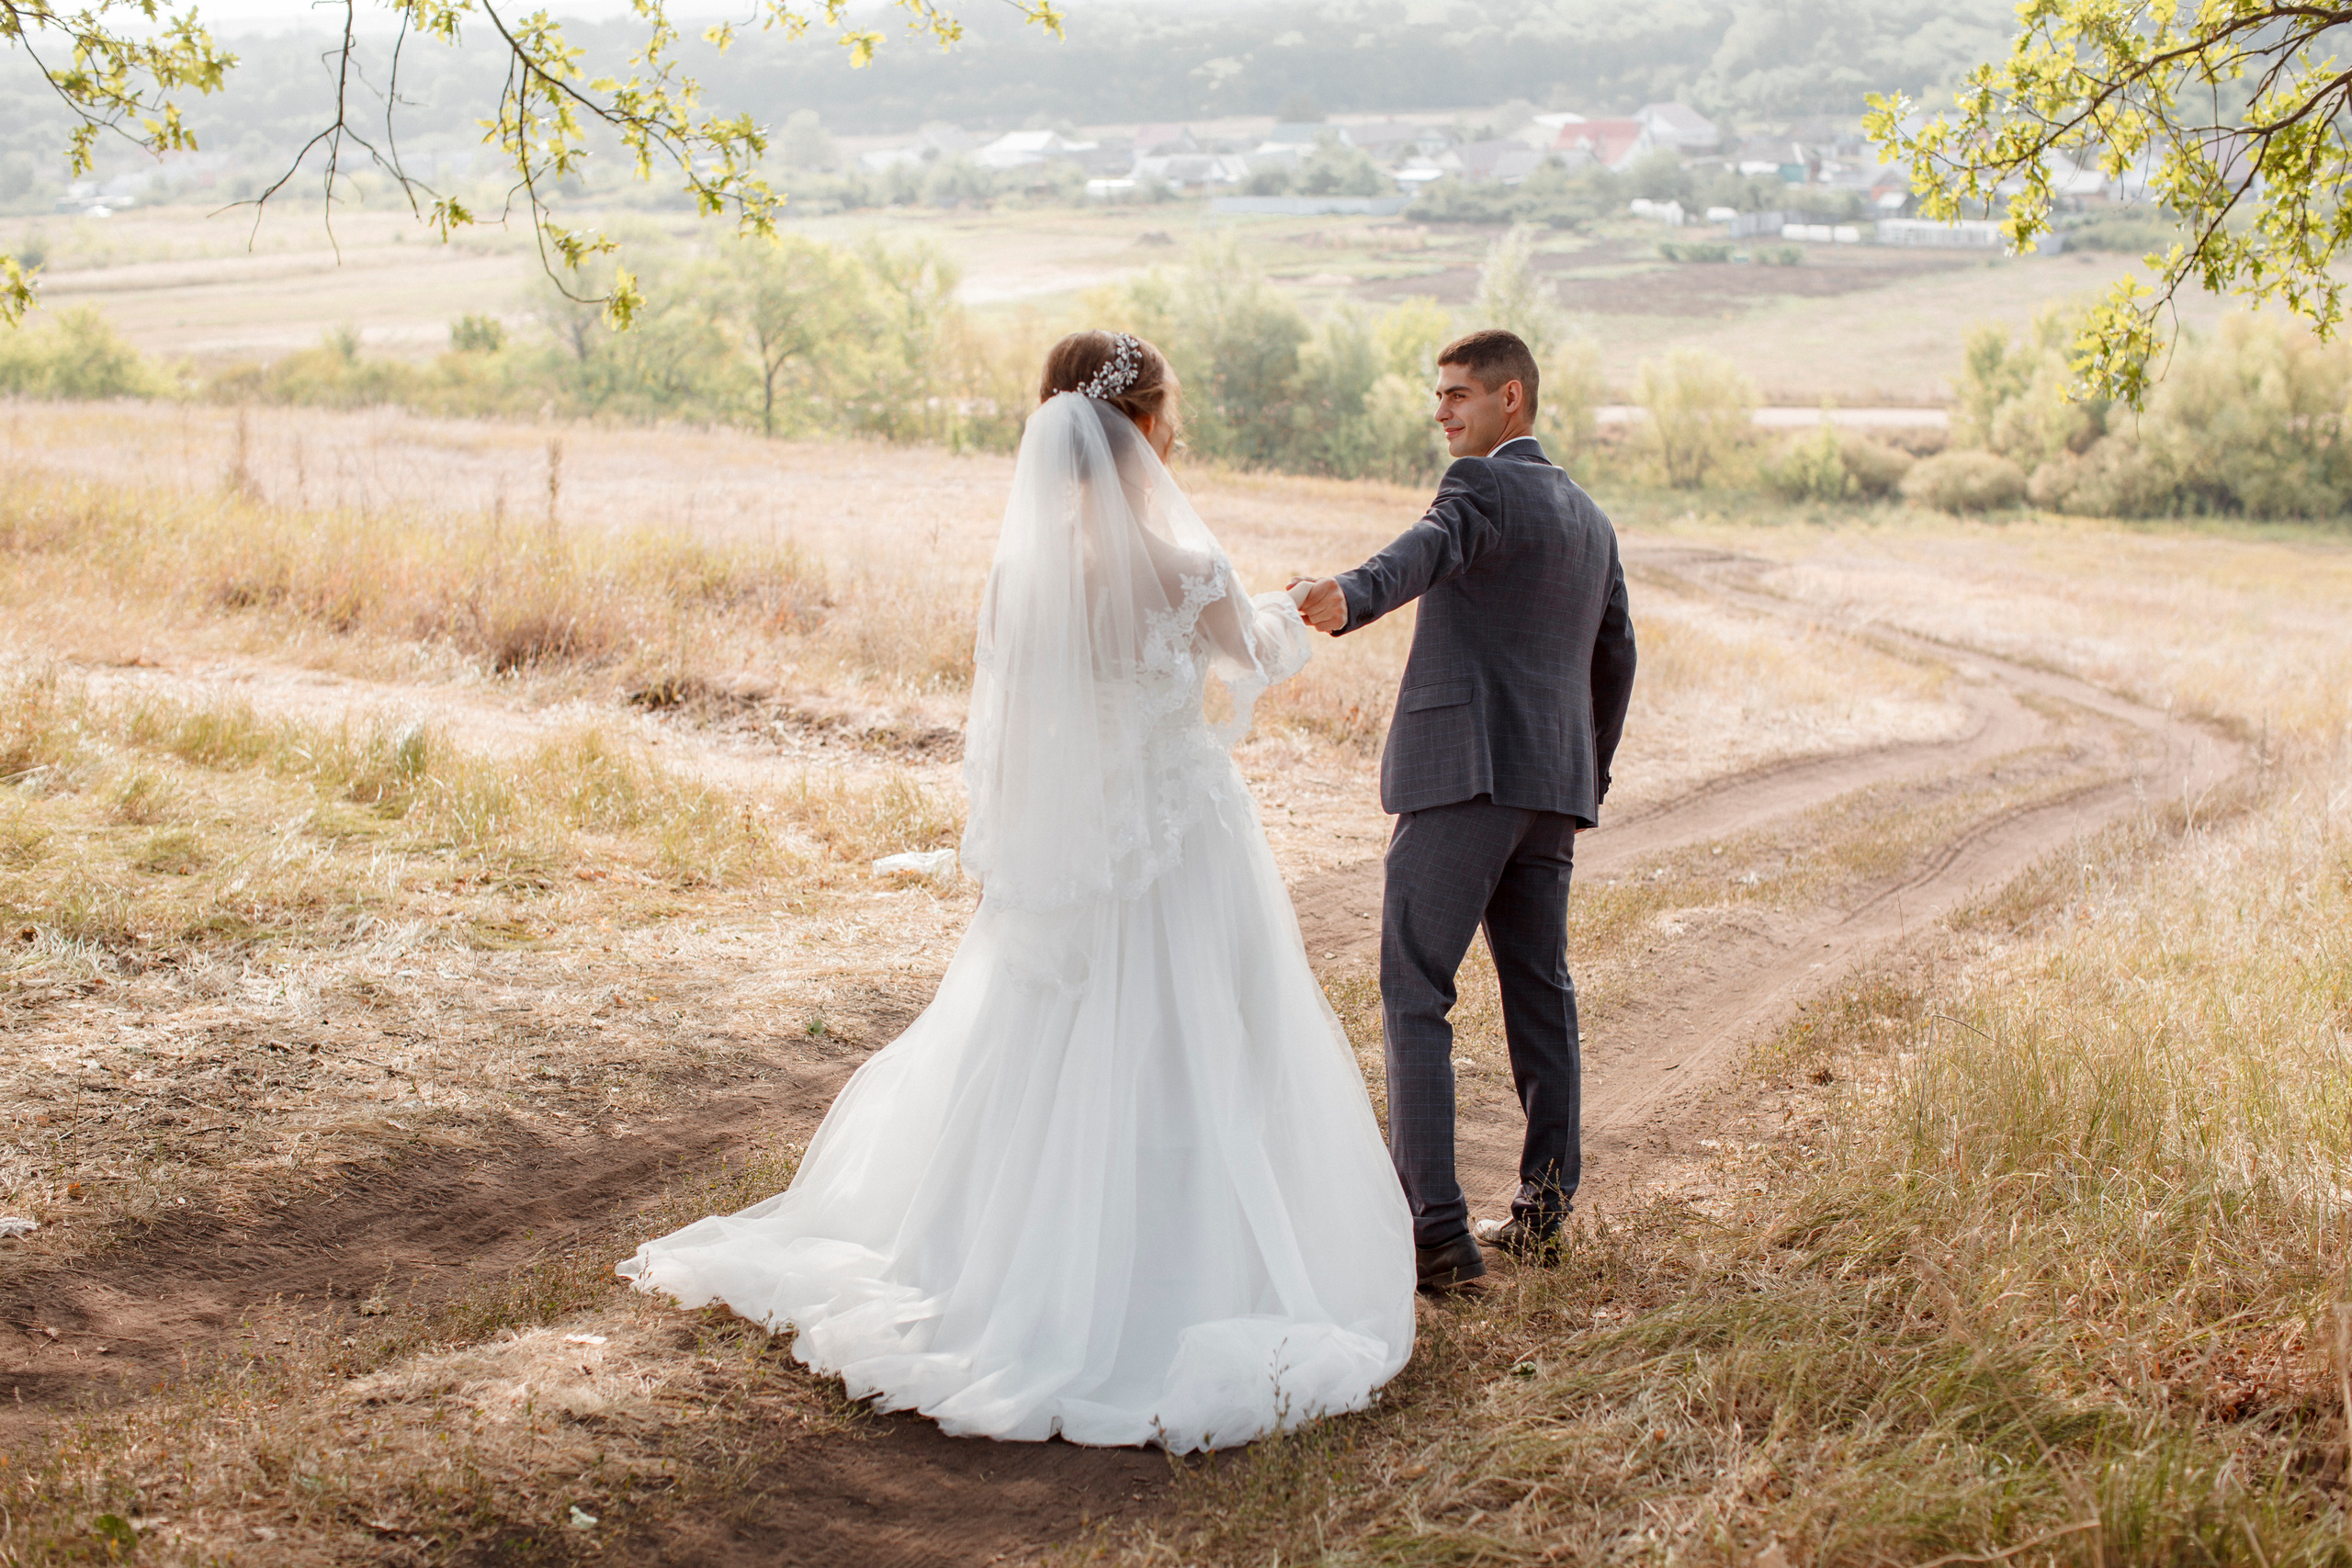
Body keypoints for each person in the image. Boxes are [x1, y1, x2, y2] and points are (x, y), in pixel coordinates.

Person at [620, 332, 1416, 1451]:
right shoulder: (1185, 569)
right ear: (1143, 427)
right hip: (1180, 839)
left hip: (1073, 846)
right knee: (1199, 1039)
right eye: (1166, 418)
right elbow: (1258, 654)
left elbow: (1009, 730)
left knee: (1051, 1040)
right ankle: (1179, 1264)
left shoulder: (1020, 576)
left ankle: (1004, 1261)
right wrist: (1294, 602)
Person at [1293, 328, 1637, 1293]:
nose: (1440, 412)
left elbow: (1422, 553)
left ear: (1510, 400)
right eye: (1439, 396)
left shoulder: (1480, 488)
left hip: (1464, 778)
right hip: (1549, 792)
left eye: (1455, 396)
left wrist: (1345, 597)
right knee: (1541, 996)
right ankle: (1542, 1212)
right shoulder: (1591, 518)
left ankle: (1437, 1237)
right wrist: (1582, 776)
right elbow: (1619, 658)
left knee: (1414, 991)